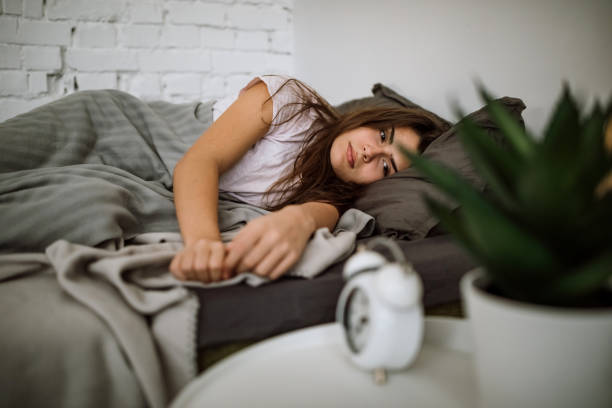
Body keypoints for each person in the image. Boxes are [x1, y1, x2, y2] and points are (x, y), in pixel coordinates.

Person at [169, 75, 447, 284]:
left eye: (386, 165)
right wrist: (202, 243)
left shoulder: (334, 195)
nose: (369, 153)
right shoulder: (292, 101)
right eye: (383, 136)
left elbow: (312, 215)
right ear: (369, 119)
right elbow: (199, 161)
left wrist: (298, 221)